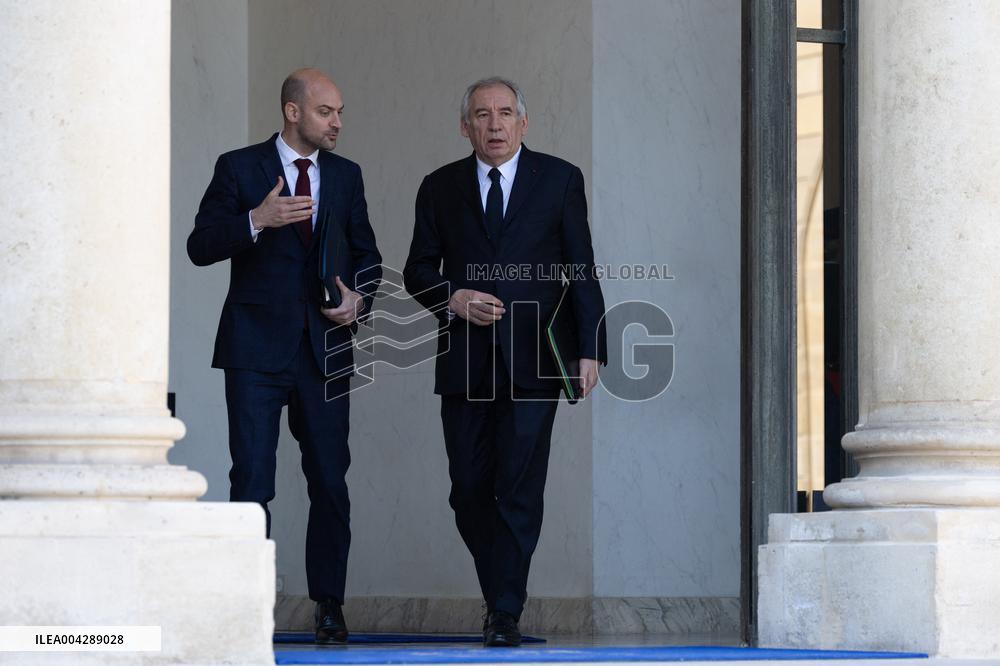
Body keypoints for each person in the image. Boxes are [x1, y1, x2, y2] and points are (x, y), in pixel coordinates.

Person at [403, 76, 607, 647]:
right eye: (482, 115)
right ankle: (501, 594)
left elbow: (580, 266)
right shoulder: (439, 187)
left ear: (524, 122)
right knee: (467, 487)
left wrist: (591, 346)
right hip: (465, 358)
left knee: (518, 486)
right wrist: (454, 298)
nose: (494, 125)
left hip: (536, 358)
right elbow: (417, 269)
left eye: (504, 113)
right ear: (464, 126)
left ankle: (505, 612)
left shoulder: (560, 180)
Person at [187, 68, 381, 645]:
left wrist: (358, 300)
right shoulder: (239, 168)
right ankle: (245, 611)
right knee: (251, 480)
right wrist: (256, 220)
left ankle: (329, 606)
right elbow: (200, 245)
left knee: (329, 479)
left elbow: (367, 254)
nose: (338, 122)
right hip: (254, 351)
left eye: (341, 112)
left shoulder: (346, 177)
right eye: (327, 112)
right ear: (293, 112)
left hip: (325, 351)